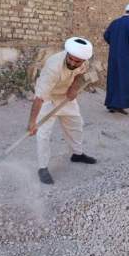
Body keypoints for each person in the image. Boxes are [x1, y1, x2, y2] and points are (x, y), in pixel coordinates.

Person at [27, 37, 97, 185]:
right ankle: (43, 167)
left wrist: (74, 87)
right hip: (48, 97)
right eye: (70, 59)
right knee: (43, 134)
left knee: (76, 125)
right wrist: (32, 122)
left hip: (65, 97)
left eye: (77, 61)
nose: (72, 63)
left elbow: (79, 74)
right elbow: (39, 98)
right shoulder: (53, 67)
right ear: (67, 53)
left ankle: (77, 154)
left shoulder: (84, 61)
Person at [103, 3, 129, 115]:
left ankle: (112, 104)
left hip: (113, 56)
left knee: (113, 78)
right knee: (124, 80)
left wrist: (114, 44)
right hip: (126, 57)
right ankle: (119, 105)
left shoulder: (115, 22)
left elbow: (106, 35)